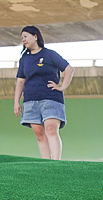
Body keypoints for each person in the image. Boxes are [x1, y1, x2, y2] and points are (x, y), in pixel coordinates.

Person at [13, 26, 74, 160]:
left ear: (35, 36)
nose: (23, 39)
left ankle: (56, 162)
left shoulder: (49, 54)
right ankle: (46, 163)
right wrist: (16, 101)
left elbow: (69, 69)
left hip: (51, 98)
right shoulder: (25, 59)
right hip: (30, 100)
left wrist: (62, 86)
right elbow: (20, 81)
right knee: (39, 134)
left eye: (26, 36)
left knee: (51, 129)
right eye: (22, 37)